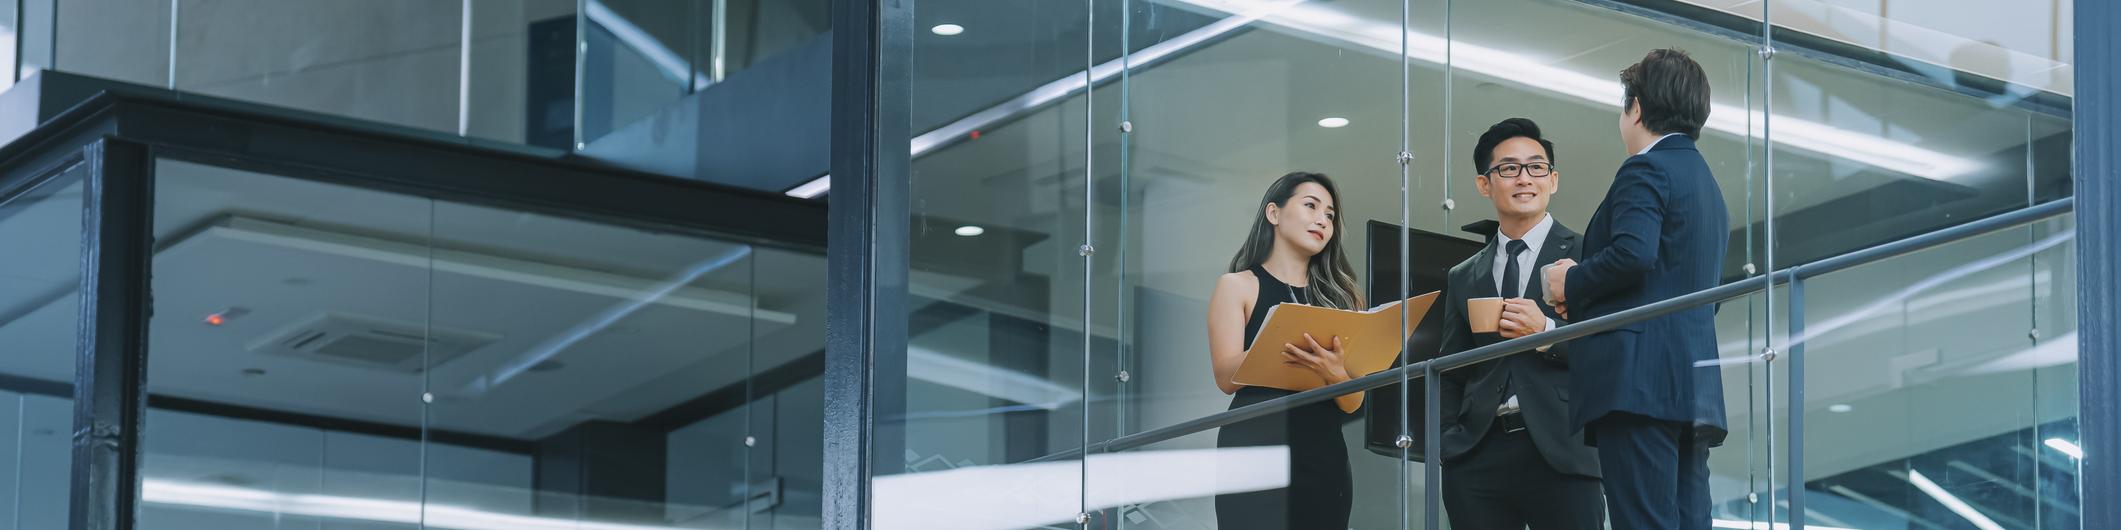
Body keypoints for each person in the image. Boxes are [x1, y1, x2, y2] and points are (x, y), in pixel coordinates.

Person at [1542, 48, 1730, 530]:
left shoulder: (1645, 168)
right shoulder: (1707, 183)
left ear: (1638, 107)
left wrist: (1571, 280)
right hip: (1693, 384)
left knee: (1642, 521)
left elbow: (1633, 253)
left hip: (1637, 382)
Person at [1435, 118, 1603, 530]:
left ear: (1554, 179)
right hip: (1477, 454)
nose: (1524, 178)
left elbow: (1611, 349)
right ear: (1484, 184)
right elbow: (1450, 369)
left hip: (1564, 447)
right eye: (1509, 168)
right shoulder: (1464, 274)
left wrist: (1546, 333)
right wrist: (1448, 443)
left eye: (1536, 167)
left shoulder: (1589, 254)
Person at [1206, 171, 1364, 529]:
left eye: (1329, 215)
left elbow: (1354, 402)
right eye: (1311, 206)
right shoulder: (1238, 286)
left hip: (1322, 448)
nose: (1322, 220)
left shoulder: (1345, 298)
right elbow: (1225, 376)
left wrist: (1335, 371)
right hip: (1253, 443)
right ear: (1274, 214)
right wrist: (1281, 341)